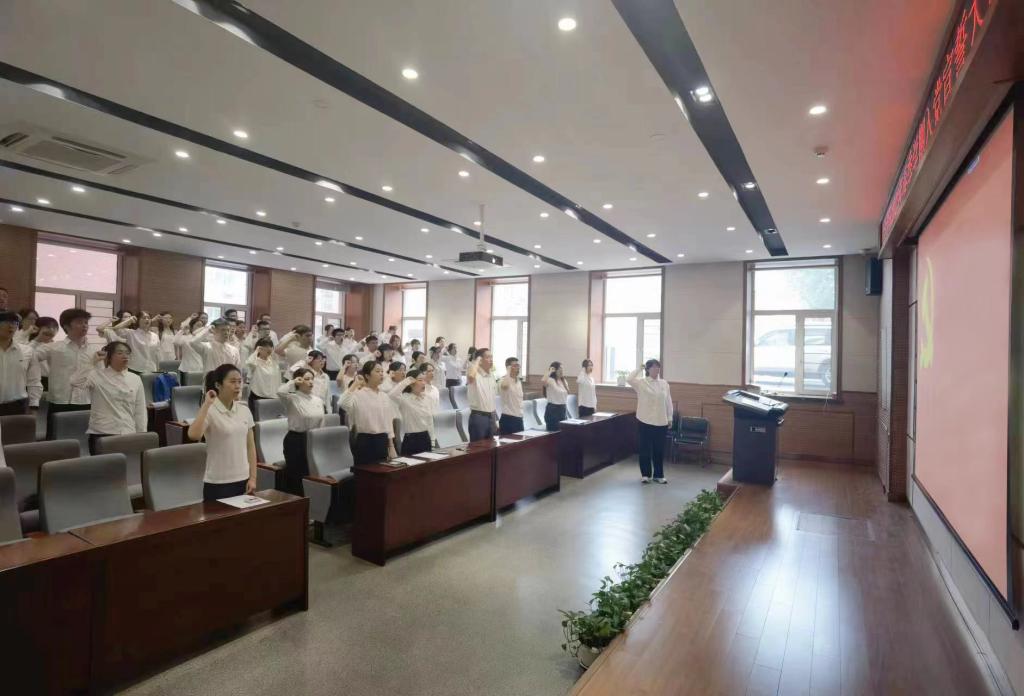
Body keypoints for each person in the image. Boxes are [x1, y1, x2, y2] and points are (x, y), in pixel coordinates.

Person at [188, 364, 258, 500]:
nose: (237, 386)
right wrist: (206, 404)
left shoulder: (244, 410)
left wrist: (253, 478)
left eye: (239, 382)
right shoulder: (210, 410)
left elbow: (250, 446)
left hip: (243, 479)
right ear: (218, 385)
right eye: (232, 382)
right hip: (218, 482)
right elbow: (193, 435)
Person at [71, 340, 147, 453]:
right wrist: (92, 362)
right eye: (120, 353)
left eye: (127, 353)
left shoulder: (135, 378)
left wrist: (141, 434)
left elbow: (140, 410)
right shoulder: (96, 375)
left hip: (128, 432)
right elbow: (76, 382)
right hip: (102, 433)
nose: (125, 356)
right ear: (109, 357)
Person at [33, 308, 94, 436]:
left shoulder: (94, 350)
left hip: (85, 401)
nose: (84, 325)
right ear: (66, 326)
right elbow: (26, 356)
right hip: (59, 401)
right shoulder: (54, 347)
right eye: (79, 322)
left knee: (83, 439)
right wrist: (37, 339)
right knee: (55, 440)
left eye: (86, 322)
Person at [276, 367, 326, 494]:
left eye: (312, 379)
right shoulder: (292, 398)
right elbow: (280, 392)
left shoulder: (318, 400)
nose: (310, 382)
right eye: (306, 379)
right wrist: (293, 382)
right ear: (299, 381)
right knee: (297, 476)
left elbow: (322, 421)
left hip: (314, 439)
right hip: (296, 440)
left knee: (311, 474)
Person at [339, 360, 398, 466]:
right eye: (377, 371)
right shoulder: (358, 394)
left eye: (382, 371)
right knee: (366, 473)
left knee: (382, 471)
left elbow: (388, 422)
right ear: (367, 375)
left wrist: (391, 446)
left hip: (382, 439)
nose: (381, 374)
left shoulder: (384, 396)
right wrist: (355, 384)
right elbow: (342, 403)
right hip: (365, 440)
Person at [628, 359, 673, 484]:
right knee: (645, 449)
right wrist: (639, 368)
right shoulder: (641, 383)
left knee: (659, 449)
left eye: (658, 367)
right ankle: (645, 474)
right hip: (645, 420)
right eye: (653, 367)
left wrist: (670, 417)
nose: (656, 369)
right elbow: (629, 379)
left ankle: (658, 475)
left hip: (661, 421)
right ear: (648, 369)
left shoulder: (664, 384)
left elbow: (668, 401)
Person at [0, 312, 42, 415]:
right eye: (5, 322)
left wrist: (34, 406)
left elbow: (34, 380)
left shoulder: (27, 351)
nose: (11, 326)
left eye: (15, 323)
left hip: (16, 406)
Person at [387, 370, 435, 455]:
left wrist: (432, 440)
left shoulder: (426, 398)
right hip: (411, 439)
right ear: (411, 383)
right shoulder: (404, 398)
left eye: (424, 380)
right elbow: (391, 395)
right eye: (420, 380)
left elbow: (430, 421)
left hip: (426, 437)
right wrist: (406, 381)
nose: (423, 383)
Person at [466, 347, 498, 441]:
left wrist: (495, 419)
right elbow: (471, 376)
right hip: (479, 417)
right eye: (488, 357)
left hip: (491, 416)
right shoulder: (475, 374)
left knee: (491, 446)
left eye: (491, 357)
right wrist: (477, 360)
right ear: (480, 360)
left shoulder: (491, 375)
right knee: (478, 447)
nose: (491, 359)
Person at [245, 338, 282, 413]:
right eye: (266, 346)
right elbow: (249, 362)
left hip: (273, 397)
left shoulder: (273, 361)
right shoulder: (255, 362)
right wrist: (256, 351)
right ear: (259, 348)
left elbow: (280, 351)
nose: (269, 348)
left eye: (270, 346)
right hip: (257, 396)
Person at [499, 357, 525, 434]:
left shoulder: (519, 381)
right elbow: (504, 386)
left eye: (518, 365)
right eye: (515, 365)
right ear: (508, 367)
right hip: (508, 418)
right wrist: (508, 371)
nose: (518, 367)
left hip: (519, 418)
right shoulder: (503, 380)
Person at [544, 361, 570, 431]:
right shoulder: (550, 380)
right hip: (553, 409)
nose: (561, 371)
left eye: (562, 369)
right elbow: (543, 381)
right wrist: (549, 371)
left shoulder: (564, 381)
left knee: (562, 432)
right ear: (554, 370)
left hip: (562, 408)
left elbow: (568, 392)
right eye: (559, 369)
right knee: (553, 432)